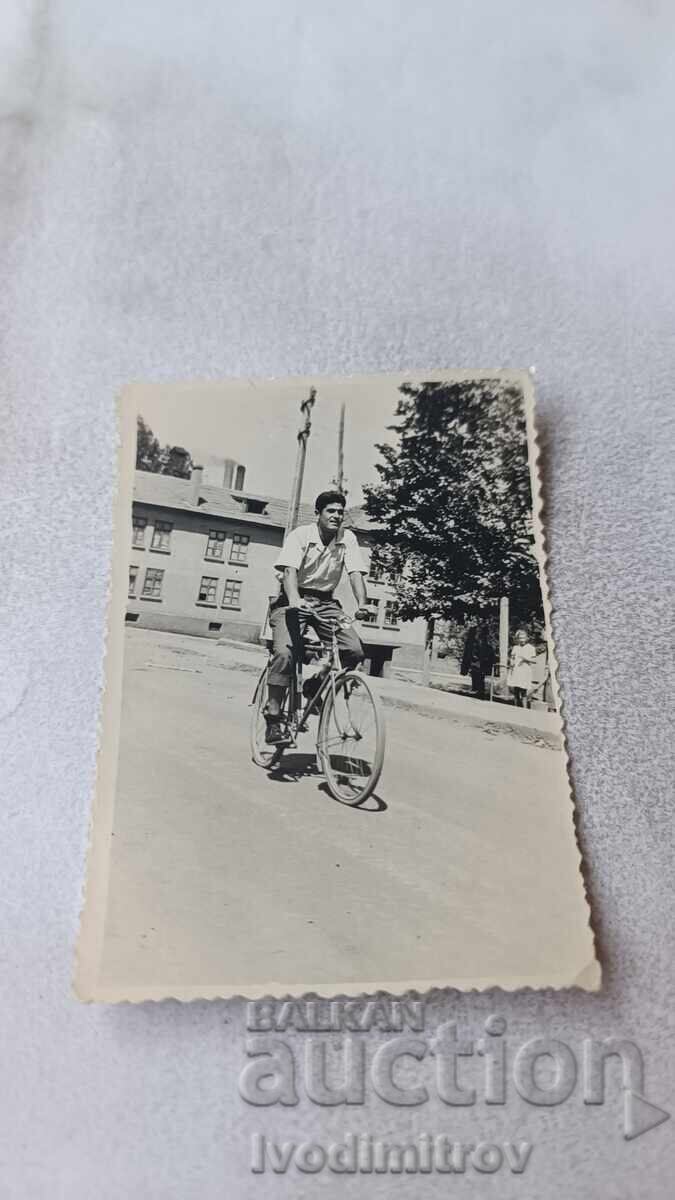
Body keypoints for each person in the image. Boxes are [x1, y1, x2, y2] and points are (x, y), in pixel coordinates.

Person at [264, 490, 369, 743]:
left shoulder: (348, 539)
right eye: (331, 511)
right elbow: (289, 571)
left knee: (354, 650)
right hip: (292, 599)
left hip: (326, 603)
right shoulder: (301, 535)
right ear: (318, 514)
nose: (336, 516)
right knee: (285, 653)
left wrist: (363, 604)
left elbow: (355, 573)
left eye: (340, 512)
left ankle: (315, 684)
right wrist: (294, 601)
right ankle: (273, 716)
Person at [461, 623, 495, 700]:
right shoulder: (473, 640)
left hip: (482, 660)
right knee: (475, 673)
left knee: (480, 675)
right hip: (476, 660)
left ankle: (479, 691)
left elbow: (488, 650)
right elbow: (470, 650)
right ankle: (476, 689)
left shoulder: (485, 641)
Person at [508, 628, 536, 708]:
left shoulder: (531, 648)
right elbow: (512, 658)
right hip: (516, 671)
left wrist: (525, 659)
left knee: (523, 692)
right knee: (516, 691)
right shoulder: (515, 647)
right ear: (517, 639)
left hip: (525, 671)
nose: (522, 640)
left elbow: (534, 661)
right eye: (520, 638)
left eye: (524, 638)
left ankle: (524, 710)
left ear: (527, 638)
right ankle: (517, 709)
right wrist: (511, 662)